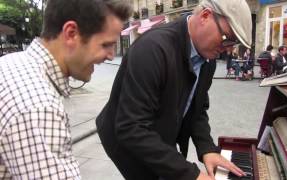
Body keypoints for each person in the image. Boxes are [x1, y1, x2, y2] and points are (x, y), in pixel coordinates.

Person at [96, 0, 252, 179]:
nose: (229, 49)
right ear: (205, 16)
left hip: (158, 133)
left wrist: (207, 148)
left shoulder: (208, 58)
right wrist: (191, 174)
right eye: (227, 38)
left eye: (235, 44)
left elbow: (197, 108)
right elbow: (131, 128)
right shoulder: (153, 49)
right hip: (126, 142)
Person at [0, 0, 132, 179]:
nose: (110, 56)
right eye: (106, 45)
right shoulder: (40, 107)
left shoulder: (13, 62)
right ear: (71, 33)